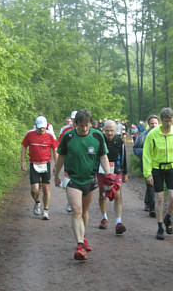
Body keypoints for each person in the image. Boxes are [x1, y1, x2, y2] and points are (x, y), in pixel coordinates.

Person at [54, 109, 112, 261]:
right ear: (75, 124)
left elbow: (103, 157)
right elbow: (61, 157)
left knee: (85, 212)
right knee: (76, 210)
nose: (84, 129)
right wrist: (56, 175)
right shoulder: (68, 137)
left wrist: (108, 174)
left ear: (90, 124)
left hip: (90, 179)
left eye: (87, 126)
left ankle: (83, 236)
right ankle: (79, 245)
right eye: (81, 126)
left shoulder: (97, 136)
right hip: (72, 178)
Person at [143, 107, 173, 240]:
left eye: (170, 121)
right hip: (157, 168)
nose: (168, 124)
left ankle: (168, 217)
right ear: (161, 120)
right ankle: (160, 226)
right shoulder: (153, 134)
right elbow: (147, 154)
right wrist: (147, 173)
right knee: (160, 198)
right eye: (166, 121)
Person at [21, 116, 58, 220]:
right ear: (36, 126)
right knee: (35, 190)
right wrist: (23, 161)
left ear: (46, 126)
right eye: (39, 127)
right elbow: (24, 146)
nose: (41, 130)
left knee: (46, 189)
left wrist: (56, 164)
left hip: (46, 164)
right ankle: (37, 202)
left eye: (43, 127)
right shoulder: (29, 135)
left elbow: (55, 150)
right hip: (34, 164)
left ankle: (46, 210)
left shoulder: (50, 136)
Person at [97, 120, 128, 234]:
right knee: (102, 193)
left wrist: (125, 173)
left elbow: (124, 157)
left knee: (117, 193)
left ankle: (118, 222)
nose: (109, 133)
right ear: (103, 130)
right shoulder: (99, 140)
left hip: (116, 168)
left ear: (116, 131)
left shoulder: (119, 141)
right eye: (107, 131)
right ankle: (104, 217)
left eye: (112, 131)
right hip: (101, 169)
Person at [133, 115, 159, 218]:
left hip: (158, 164)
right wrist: (145, 153)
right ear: (148, 124)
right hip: (146, 163)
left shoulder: (162, 135)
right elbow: (136, 148)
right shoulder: (143, 135)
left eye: (155, 123)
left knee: (153, 185)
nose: (153, 125)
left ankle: (147, 202)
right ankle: (152, 208)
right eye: (151, 123)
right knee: (150, 184)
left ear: (158, 124)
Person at [58, 111, 77, 213]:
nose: (74, 122)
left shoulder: (85, 129)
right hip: (68, 160)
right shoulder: (64, 130)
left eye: (76, 119)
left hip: (81, 160)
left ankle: (77, 202)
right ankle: (70, 201)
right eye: (73, 120)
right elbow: (60, 145)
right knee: (68, 182)